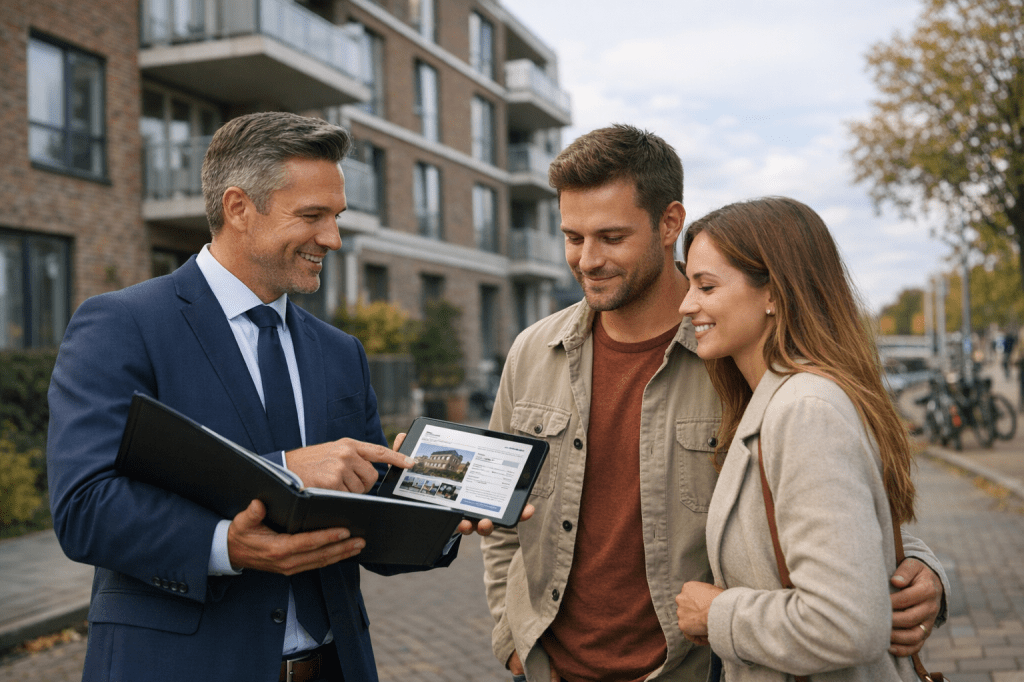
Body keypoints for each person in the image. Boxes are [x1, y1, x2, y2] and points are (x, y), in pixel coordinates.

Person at [480, 125, 948, 682]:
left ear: (669, 223)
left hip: (702, 669)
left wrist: (922, 568)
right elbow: (499, 512)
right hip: (550, 669)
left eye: (611, 237)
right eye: (573, 237)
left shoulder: (738, 355)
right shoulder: (531, 353)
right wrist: (512, 638)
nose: (587, 259)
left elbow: (836, 499)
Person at [47, 112, 468, 682]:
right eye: (312, 216)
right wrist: (232, 537)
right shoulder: (122, 325)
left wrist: (438, 517)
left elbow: (363, 527)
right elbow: (85, 507)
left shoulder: (341, 351)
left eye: (336, 217)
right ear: (239, 208)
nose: (333, 239)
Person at [675, 197, 931, 680]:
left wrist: (717, 616)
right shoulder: (780, 399)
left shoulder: (804, 411)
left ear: (773, 293)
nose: (687, 304)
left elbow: (847, 623)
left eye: (706, 286)